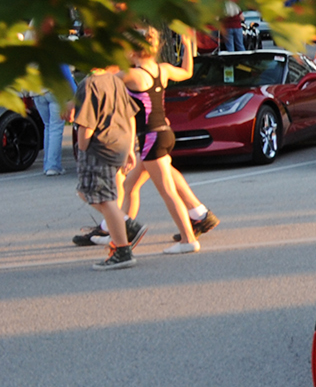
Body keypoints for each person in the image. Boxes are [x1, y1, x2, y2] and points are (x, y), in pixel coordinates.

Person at [125, 27, 218, 253]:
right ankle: (121, 229)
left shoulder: (134, 75)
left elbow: (105, 80)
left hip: (151, 138)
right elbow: (186, 72)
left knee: (167, 192)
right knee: (130, 184)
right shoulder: (162, 69)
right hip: (164, 133)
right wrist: (187, 46)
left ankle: (188, 240)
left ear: (132, 52)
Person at [70, 62, 145, 270]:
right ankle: (125, 226)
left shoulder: (89, 84)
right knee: (88, 192)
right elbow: (130, 117)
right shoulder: (116, 80)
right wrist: (130, 147)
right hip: (118, 143)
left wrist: (82, 145)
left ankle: (123, 246)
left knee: (103, 197)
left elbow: (87, 123)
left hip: (99, 146)